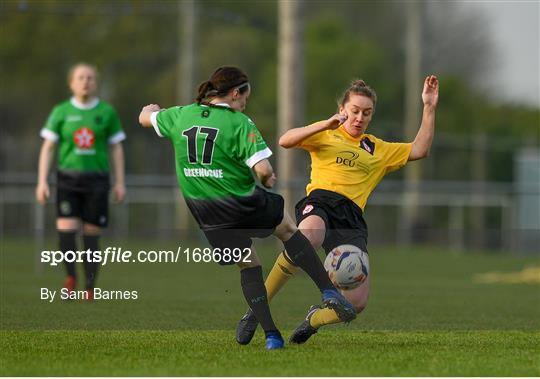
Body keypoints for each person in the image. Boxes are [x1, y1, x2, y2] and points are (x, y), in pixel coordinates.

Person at [138, 66, 356, 350]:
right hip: (241, 202)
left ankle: (272, 336)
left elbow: (145, 117)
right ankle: (328, 289)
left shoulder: (180, 115)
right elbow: (262, 168)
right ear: (235, 93)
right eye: (245, 98)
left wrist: (152, 109)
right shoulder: (239, 122)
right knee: (288, 228)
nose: (244, 104)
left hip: (206, 212)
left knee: (248, 263)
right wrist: (268, 177)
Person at [236, 75, 439, 344]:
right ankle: (256, 310)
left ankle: (314, 319)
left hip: (351, 218)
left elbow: (420, 149)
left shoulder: (377, 148)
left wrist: (429, 106)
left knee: (356, 303)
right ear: (343, 109)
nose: (359, 118)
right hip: (320, 202)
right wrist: (326, 123)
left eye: (366, 113)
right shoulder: (327, 134)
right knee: (308, 235)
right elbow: (286, 140)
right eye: (354, 111)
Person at [36, 62, 126, 300]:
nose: (86, 81)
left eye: (90, 78)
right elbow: (48, 147)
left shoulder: (106, 113)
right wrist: (42, 181)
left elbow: (116, 148)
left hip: (97, 181)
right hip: (67, 180)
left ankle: (89, 286)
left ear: (96, 83)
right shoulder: (61, 111)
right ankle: (71, 278)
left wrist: (119, 182)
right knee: (65, 232)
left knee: (91, 235)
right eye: (80, 77)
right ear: (71, 83)